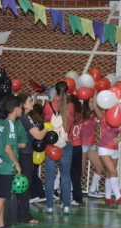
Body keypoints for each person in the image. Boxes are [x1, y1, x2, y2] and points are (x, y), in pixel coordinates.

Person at [0, 94, 27, 228]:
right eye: (20, 107)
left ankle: (0, 225)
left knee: (2, 196)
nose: (22, 109)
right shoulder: (10, 125)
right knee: (0, 198)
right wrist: (16, 163)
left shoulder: (2, 123)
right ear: (15, 109)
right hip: (5, 165)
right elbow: (7, 148)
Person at [43, 81, 75, 215]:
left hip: (51, 143)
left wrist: (51, 100)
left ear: (54, 91)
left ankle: (49, 206)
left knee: (49, 175)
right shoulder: (71, 106)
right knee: (65, 175)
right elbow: (71, 122)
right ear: (67, 92)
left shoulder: (48, 105)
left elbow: (45, 122)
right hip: (66, 142)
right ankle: (66, 206)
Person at [17, 94, 48, 223]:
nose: (32, 103)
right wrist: (47, 128)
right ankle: (24, 215)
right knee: (24, 184)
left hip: (23, 153)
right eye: (30, 101)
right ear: (23, 104)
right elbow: (39, 136)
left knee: (22, 184)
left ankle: (20, 213)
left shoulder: (24, 118)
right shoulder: (24, 118)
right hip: (24, 154)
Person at [93, 94, 121, 205]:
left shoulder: (120, 119)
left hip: (114, 149)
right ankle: (118, 196)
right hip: (104, 149)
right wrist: (95, 92)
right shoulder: (103, 117)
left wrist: (120, 138)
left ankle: (107, 197)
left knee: (109, 174)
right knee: (113, 171)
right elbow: (94, 105)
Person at [81, 99, 104, 198]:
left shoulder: (96, 114)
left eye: (94, 102)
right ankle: (71, 191)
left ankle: (92, 190)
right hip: (81, 146)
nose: (93, 104)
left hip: (91, 146)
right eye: (91, 102)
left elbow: (104, 117)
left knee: (100, 168)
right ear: (86, 103)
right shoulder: (81, 114)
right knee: (80, 171)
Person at [68, 94, 83, 206]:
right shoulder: (80, 113)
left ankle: (74, 198)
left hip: (70, 145)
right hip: (78, 146)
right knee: (76, 174)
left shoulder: (69, 113)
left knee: (70, 173)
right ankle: (77, 197)